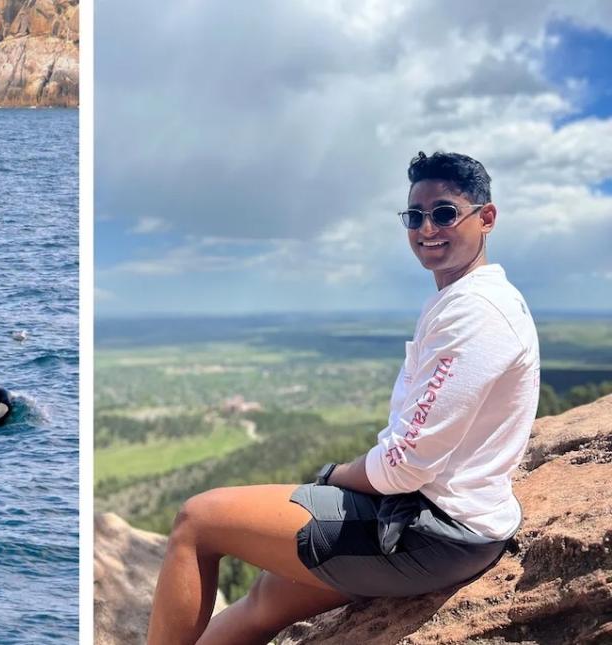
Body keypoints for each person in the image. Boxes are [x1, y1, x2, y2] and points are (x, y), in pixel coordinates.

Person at [145, 151, 541, 645]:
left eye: (443, 213)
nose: (426, 228)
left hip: (429, 530)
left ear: (486, 218)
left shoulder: (475, 312)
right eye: (415, 216)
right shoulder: (467, 299)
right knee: (266, 599)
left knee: (197, 521)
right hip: (441, 520)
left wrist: (335, 476)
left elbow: (404, 467)